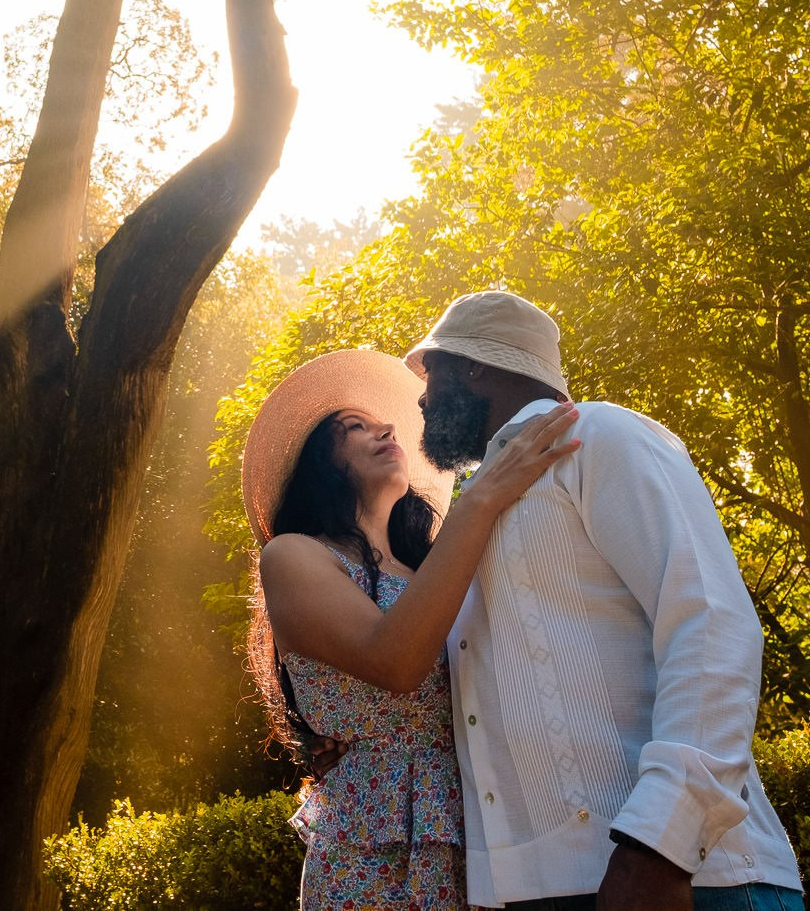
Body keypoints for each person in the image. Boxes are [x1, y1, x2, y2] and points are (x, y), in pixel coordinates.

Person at [406, 291, 805, 911]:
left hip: (684, 882)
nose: (423, 398)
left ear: (472, 366)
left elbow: (712, 620)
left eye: (431, 372)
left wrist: (660, 845)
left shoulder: (600, 434)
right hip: (535, 892)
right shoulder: (473, 509)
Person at [243, 348, 581, 911]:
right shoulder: (292, 555)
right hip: (371, 845)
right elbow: (395, 661)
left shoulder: (431, 567)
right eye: (355, 427)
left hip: (475, 823)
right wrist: (484, 497)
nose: (385, 429)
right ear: (317, 465)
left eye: (383, 423)